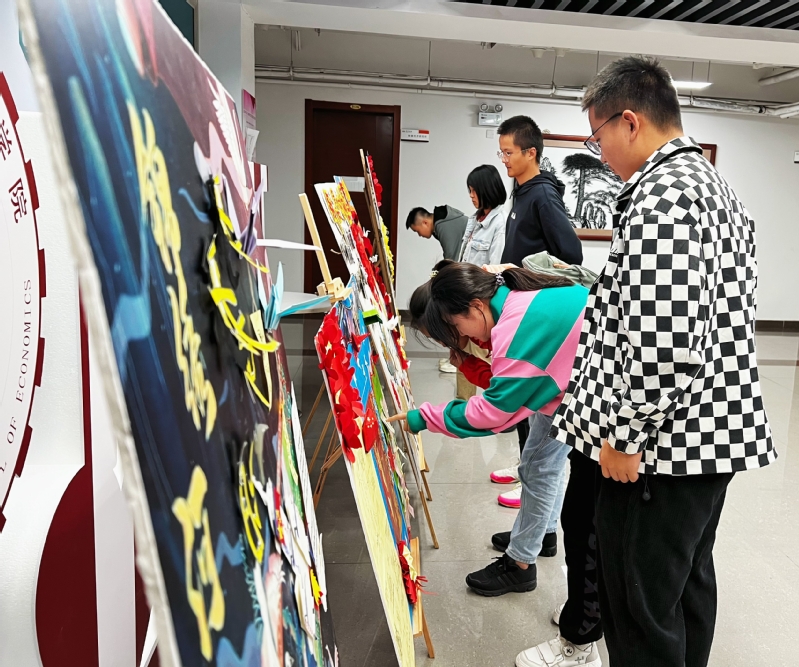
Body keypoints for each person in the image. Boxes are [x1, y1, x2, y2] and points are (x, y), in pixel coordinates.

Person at [534, 55, 777, 667]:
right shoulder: (713, 186)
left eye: (597, 136)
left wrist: (624, 435)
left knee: (639, 610)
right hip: (708, 437)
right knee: (685, 590)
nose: (598, 152)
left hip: (662, 450)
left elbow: (664, 342)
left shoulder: (662, 197)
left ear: (630, 122)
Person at [390, 260, 587, 598]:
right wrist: (472, 367)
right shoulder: (513, 298)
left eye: (457, 325)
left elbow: (495, 413)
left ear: (476, 306)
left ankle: (521, 563)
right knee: (542, 466)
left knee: (539, 468)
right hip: (572, 387)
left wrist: (424, 417)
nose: (465, 336)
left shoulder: (515, 326)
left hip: (594, 399)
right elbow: (513, 386)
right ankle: (542, 534)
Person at [497, 115, 582, 267]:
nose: (504, 159)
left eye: (508, 153)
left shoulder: (544, 195)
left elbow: (572, 255)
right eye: (502, 153)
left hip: (530, 283)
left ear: (531, 153)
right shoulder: (523, 191)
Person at [455, 164, 507, 400]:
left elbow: (494, 268)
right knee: (462, 355)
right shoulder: (474, 219)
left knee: (480, 357)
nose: (471, 195)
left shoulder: (500, 222)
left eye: (474, 190)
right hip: (462, 298)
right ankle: (463, 403)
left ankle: (486, 407)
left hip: (480, 302)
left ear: (487, 189)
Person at [406, 204, 469, 374]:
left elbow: (452, 261)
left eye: (417, 231)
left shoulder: (443, 225)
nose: (420, 235)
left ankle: (460, 359)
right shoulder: (444, 221)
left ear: (425, 222)